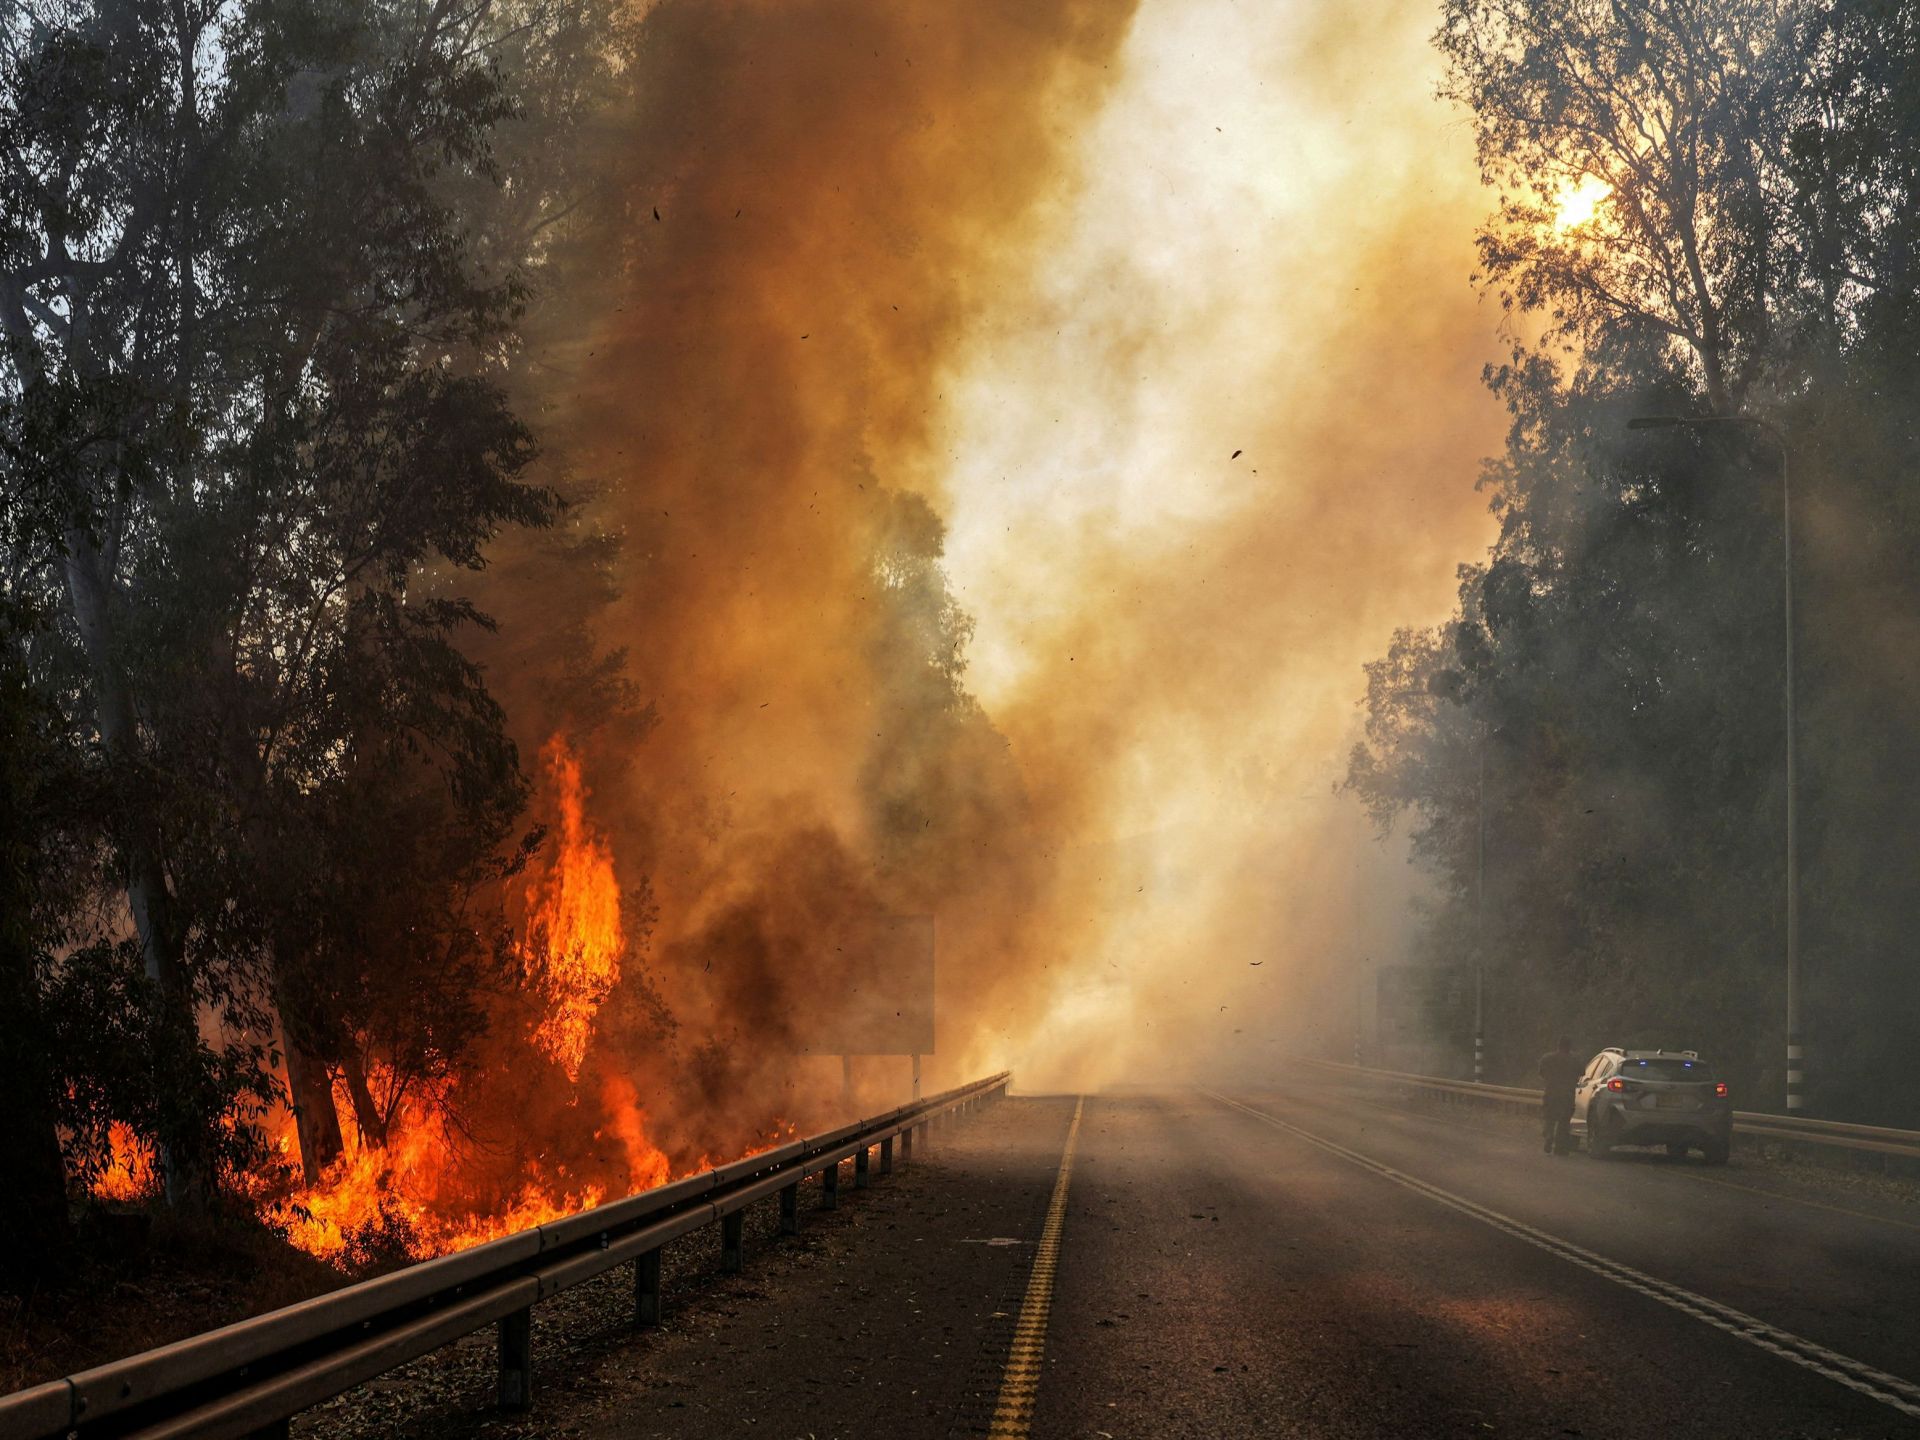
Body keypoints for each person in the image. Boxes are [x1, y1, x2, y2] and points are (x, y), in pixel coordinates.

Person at [1538, 1036, 1583, 1156]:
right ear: (1569, 1047)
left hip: (1551, 1092)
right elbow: (1582, 1072)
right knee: (1564, 1121)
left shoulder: (1547, 1058)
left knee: (1549, 1117)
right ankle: (1560, 1148)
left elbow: (1541, 1073)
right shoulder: (1575, 1060)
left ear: (1558, 1045)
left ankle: (1549, 1134)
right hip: (1567, 1095)